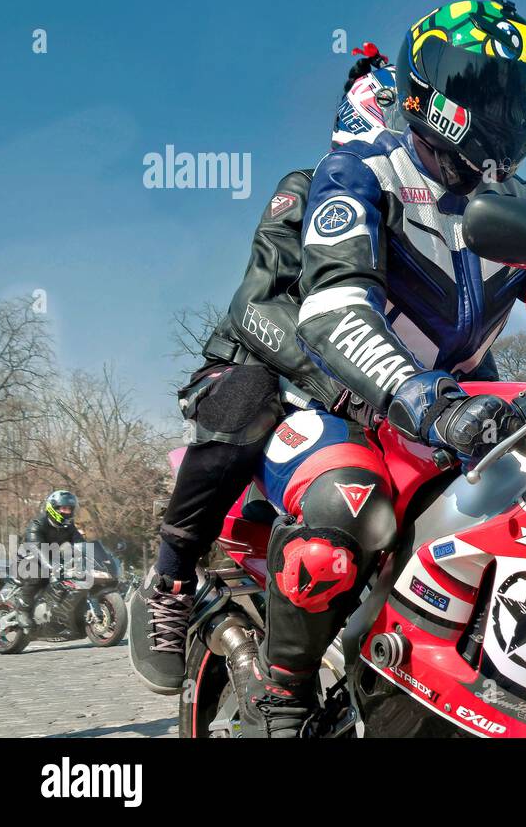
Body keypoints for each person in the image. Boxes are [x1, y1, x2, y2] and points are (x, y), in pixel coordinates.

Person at [238, 0, 526, 737]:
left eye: (521, 95)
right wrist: (424, 397)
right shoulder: (360, 169)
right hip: (340, 408)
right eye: (490, 91)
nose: (508, 111)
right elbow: (331, 310)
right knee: (349, 509)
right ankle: (281, 709)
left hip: (458, 418)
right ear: (434, 89)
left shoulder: (522, 203)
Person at [128, 46, 405, 696]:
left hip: (352, 390)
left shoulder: (417, 226)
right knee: (248, 394)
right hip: (257, 369)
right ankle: (169, 579)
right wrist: (339, 386)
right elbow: (253, 306)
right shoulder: (307, 187)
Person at [10, 491, 84, 611]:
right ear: (53, 508)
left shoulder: (69, 527)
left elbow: (80, 544)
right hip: (26, 562)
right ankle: (23, 609)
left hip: (52, 562)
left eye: (70, 509)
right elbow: (37, 548)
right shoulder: (37, 524)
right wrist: (50, 567)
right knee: (37, 573)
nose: (67, 512)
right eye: (64, 508)